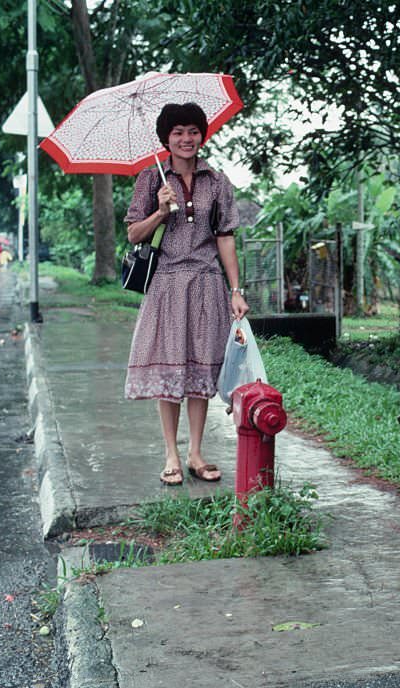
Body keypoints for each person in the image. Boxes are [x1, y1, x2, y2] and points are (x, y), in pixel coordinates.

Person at [123, 102, 249, 486]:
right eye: (177, 132)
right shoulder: (150, 180)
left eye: (192, 131)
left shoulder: (217, 181)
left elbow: (225, 237)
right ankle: (171, 455)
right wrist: (160, 211)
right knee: (168, 368)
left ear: (202, 135)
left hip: (207, 284)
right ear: (166, 138)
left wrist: (235, 290)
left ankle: (195, 452)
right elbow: (132, 234)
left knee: (199, 367)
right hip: (167, 285)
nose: (186, 139)